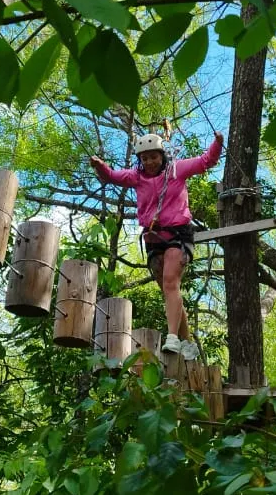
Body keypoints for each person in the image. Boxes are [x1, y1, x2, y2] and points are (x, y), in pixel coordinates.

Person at [90, 130, 224, 360]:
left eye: (154, 156)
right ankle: (186, 342)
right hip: (153, 238)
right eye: (145, 158)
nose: (150, 162)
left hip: (178, 234)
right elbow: (112, 176)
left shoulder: (176, 170)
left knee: (171, 283)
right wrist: (99, 166)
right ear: (139, 160)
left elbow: (205, 162)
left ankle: (172, 337)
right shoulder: (136, 177)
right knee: (169, 290)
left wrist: (218, 143)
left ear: (162, 156)